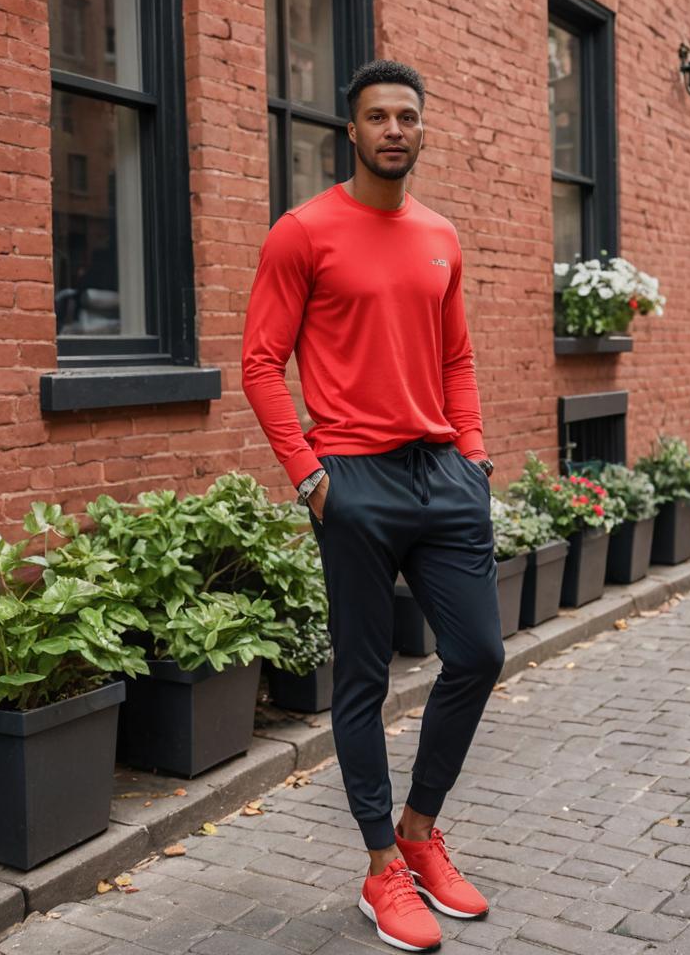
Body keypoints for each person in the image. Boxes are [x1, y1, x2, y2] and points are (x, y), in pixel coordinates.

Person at [241, 59, 504, 953]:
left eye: (407, 117)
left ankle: (421, 832)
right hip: (353, 478)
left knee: (479, 653)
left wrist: (472, 453)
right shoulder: (303, 233)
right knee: (362, 679)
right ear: (350, 131)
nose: (394, 129)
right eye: (377, 117)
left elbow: (457, 357)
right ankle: (377, 866)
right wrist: (312, 479)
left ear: (423, 131)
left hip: (443, 476)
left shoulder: (441, 236)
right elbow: (259, 362)